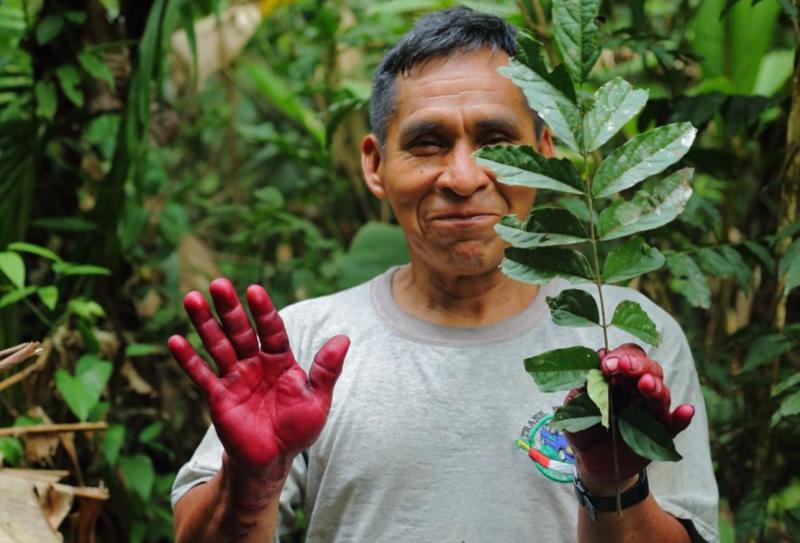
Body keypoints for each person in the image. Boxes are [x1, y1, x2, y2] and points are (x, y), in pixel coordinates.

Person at [168, 7, 719, 542]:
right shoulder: (303, 346)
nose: (463, 177)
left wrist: (613, 484)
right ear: (375, 164)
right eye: (427, 144)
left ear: (544, 154)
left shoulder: (626, 343)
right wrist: (251, 483)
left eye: (496, 142)